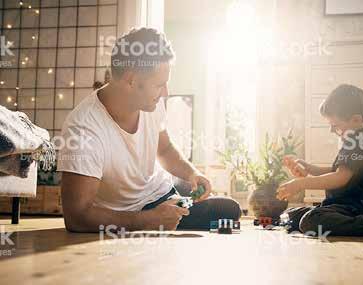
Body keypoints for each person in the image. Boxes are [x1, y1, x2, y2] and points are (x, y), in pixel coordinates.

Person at [57, 27, 241, 233]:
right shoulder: (84, 129)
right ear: (131, 80)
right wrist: (147, 221)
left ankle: (176, 199)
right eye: (159, 85)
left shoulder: (151, 103)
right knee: (227, 210)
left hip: (160, 189)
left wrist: (192, 173)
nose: (165, 92)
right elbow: (77, 217)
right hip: (128, 212)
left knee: (221, 205)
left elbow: (164, 150)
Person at [277, 84, 363, 236]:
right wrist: (308, 167)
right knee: (291, 216)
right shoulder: (354, 140)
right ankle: (327, 217)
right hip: (341, 206)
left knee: (311, 220)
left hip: (358, 208)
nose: (332, 130)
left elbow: (340, 178)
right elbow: (337, 171)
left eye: (336, 126)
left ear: (356, 119)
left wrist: (301, 183)